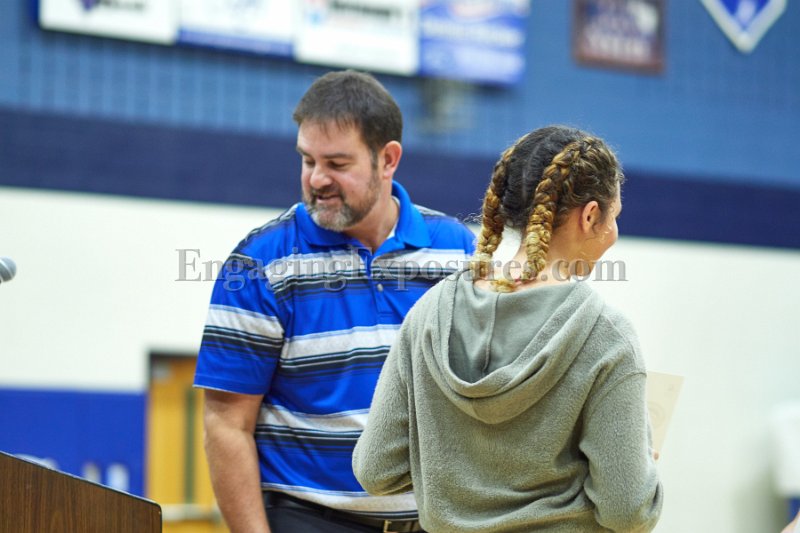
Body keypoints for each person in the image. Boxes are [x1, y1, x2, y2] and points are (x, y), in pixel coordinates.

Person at [194, 70, 475, 533]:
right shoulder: (259, 263)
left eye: (337, 164)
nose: (317, 179)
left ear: (388, 160)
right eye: (307, 160)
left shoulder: (457, 251)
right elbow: (226, 424)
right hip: (309, 519)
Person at [353, 125, 664, 532]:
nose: (614, 234)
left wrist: (453, 472)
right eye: (614, 217)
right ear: (590, 216)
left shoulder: (430, 312)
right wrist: (638, 471)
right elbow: (626, 510)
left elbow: (376, 470)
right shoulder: (606, 336)